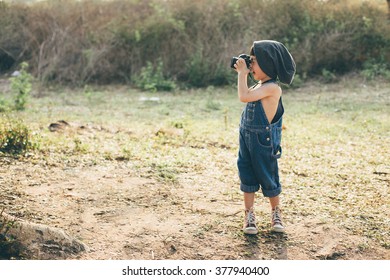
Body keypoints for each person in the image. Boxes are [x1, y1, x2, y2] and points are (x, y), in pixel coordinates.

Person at [234, 40, 296, 234]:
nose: (250, 66)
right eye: (249, 61)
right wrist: (244, 73)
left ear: (268, 64)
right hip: (246, 138)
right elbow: (247, 94)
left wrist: (243, 74)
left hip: (263, 141)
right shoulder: (259, 86)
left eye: (254, 62)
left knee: (268, 176)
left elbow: (243, 96)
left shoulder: (272, 88)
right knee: (247, 175)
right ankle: (249, 214)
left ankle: (276, 211)